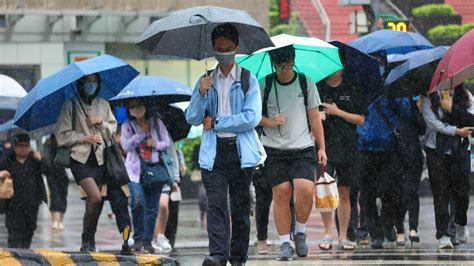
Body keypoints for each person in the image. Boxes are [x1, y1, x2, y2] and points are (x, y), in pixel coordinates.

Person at [185, 23, 262, 266]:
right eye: (219, 49)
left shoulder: (249, 79)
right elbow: (193, 118)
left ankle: (237, 258)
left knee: (240, 209)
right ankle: (218, 255)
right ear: (213, 49)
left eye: (228, 48)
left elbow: (252, 118)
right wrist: (199, 93)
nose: (223, 53)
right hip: (214, 153)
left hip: (240, 153)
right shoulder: (206, 80)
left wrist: (218, 121)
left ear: (237, 48)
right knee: (215, 205)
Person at [259, 45, 326, 261]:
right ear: (273, 63)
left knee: (305, 190)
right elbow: (251, 116)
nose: (284, 69)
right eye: (279, 65)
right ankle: (284, 243)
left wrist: (322, 147)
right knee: (281, 192)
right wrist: (269, 121)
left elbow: (315, 117)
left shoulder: (306, 83)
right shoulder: (265, 85)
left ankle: (300, 232)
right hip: (274, 148)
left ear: (293, 60)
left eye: (287, 64)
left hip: (302, 146)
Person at [56, 73, 132, 252]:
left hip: (101, 159)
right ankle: (86, 238)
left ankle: (90, 242)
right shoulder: (70, 105)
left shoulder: (104, 104)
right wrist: (85, 137)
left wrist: (99, 123)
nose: (91, 85)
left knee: (100, 202)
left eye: (94, 81)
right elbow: (61, 136)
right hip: (80, 160)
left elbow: (111, 132)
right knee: (95, 197)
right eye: (87, 81)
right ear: (80, 83)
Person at [317, 50, 368, 251]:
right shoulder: (318, 88)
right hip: (325, 147)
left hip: (348, 146)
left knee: (345, 192)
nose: (334, 70)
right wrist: (317, 118)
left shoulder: (352, 88)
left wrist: (338, 112)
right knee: (325, 189)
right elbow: (309, 114)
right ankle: (327, 232)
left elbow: (361, 119)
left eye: (337, 65)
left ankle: (344, 235)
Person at [421, 84, 474, 249]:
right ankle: (443, 234)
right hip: (436, 151)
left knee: (462, 191)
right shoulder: (428, 97)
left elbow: (471, 121)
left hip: (460, 150)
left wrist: (451, 108)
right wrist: (456, 131)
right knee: (440, 193)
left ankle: (460, 222)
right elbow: (433, 124)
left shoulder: (466, 95)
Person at [356, 96, 412, 249]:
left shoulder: (395, 85)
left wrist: (392, 96)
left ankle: (386, 224)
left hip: (390, 149)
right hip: (365, 147)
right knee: (367, 195)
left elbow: (406, 111)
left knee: (391, 192)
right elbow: (355, 111)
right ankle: (376, 235)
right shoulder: (363, 88)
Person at [121, 98, 171, 254]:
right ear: (128, 110)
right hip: (135, 172)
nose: (137, 109)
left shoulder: (156, 122)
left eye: (139, 105)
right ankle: (138, 239)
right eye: (132, 107)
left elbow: (166, 142)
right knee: (137, 203)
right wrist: (140, 134)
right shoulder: (127, 125)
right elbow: (126, 146)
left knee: (152, 209)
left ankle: (148, 241)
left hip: (154, 170)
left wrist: (155, 143)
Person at [0, 133, 48, 248]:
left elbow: (48, 171)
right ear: (15, 147)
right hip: (12, 205)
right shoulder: (7, 161)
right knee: (14, 234)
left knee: (29, 232)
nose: (23, 148)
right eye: (20, 145)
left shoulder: (34, 161)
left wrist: (41, 159)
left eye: (26, 146)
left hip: (32, 203)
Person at [394, 97, 425, 246]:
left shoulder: (414, 104)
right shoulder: (391, 103)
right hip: (395, 154)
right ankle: (399, 228)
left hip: (413, 154)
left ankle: (413, 228)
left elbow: (422, 128)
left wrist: (418, 111)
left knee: (412, 191)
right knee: (398, 193)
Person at [153, 142, 181, 253]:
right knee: (151, 208)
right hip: (144, 174)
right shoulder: (133, 127)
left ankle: (160, 236)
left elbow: (172, 155)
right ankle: (153, 238)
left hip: (163, 175)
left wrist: (175, 179)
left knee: (163, 206)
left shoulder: (163, 132)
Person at [44, 134, 69, 231]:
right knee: (54, 196)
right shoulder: (47, 145)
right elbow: (46, 159)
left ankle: (61, 221)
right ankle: (55, 220)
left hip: (62, 173)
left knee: (62, 195)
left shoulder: (64, 144)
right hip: (51, 173)